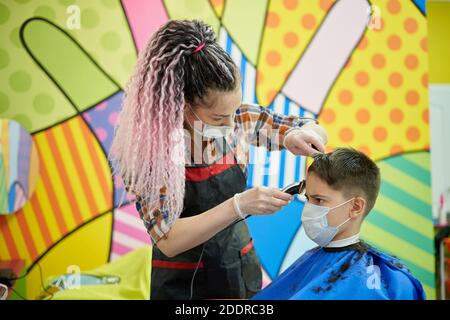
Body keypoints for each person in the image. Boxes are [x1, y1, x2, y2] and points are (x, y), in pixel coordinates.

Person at [109, 19, 328, 299]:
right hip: (183, 285)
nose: (230, 125)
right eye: (217, 118)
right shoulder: (152, 156)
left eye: (234, 110)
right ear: (184, 108)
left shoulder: (238, 119)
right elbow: (169, 239)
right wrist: (239, 205)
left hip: (238, 268)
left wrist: (299, 134)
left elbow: (310, 126)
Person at [252, 148, 426, 300]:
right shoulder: (309, 260)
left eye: (319, 200)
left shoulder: (389, 281)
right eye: (308, 199)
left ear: (356, 207)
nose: (309, 208)